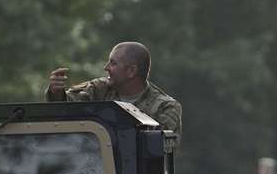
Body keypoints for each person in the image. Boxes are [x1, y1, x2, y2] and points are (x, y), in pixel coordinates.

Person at [46, 41, 182, 138]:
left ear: (131, 71)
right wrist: (56, 93)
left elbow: (160, 151)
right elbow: (67, 108)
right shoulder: (99, 89)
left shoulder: (165, 107)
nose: (106, 68)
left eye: (113, 63)